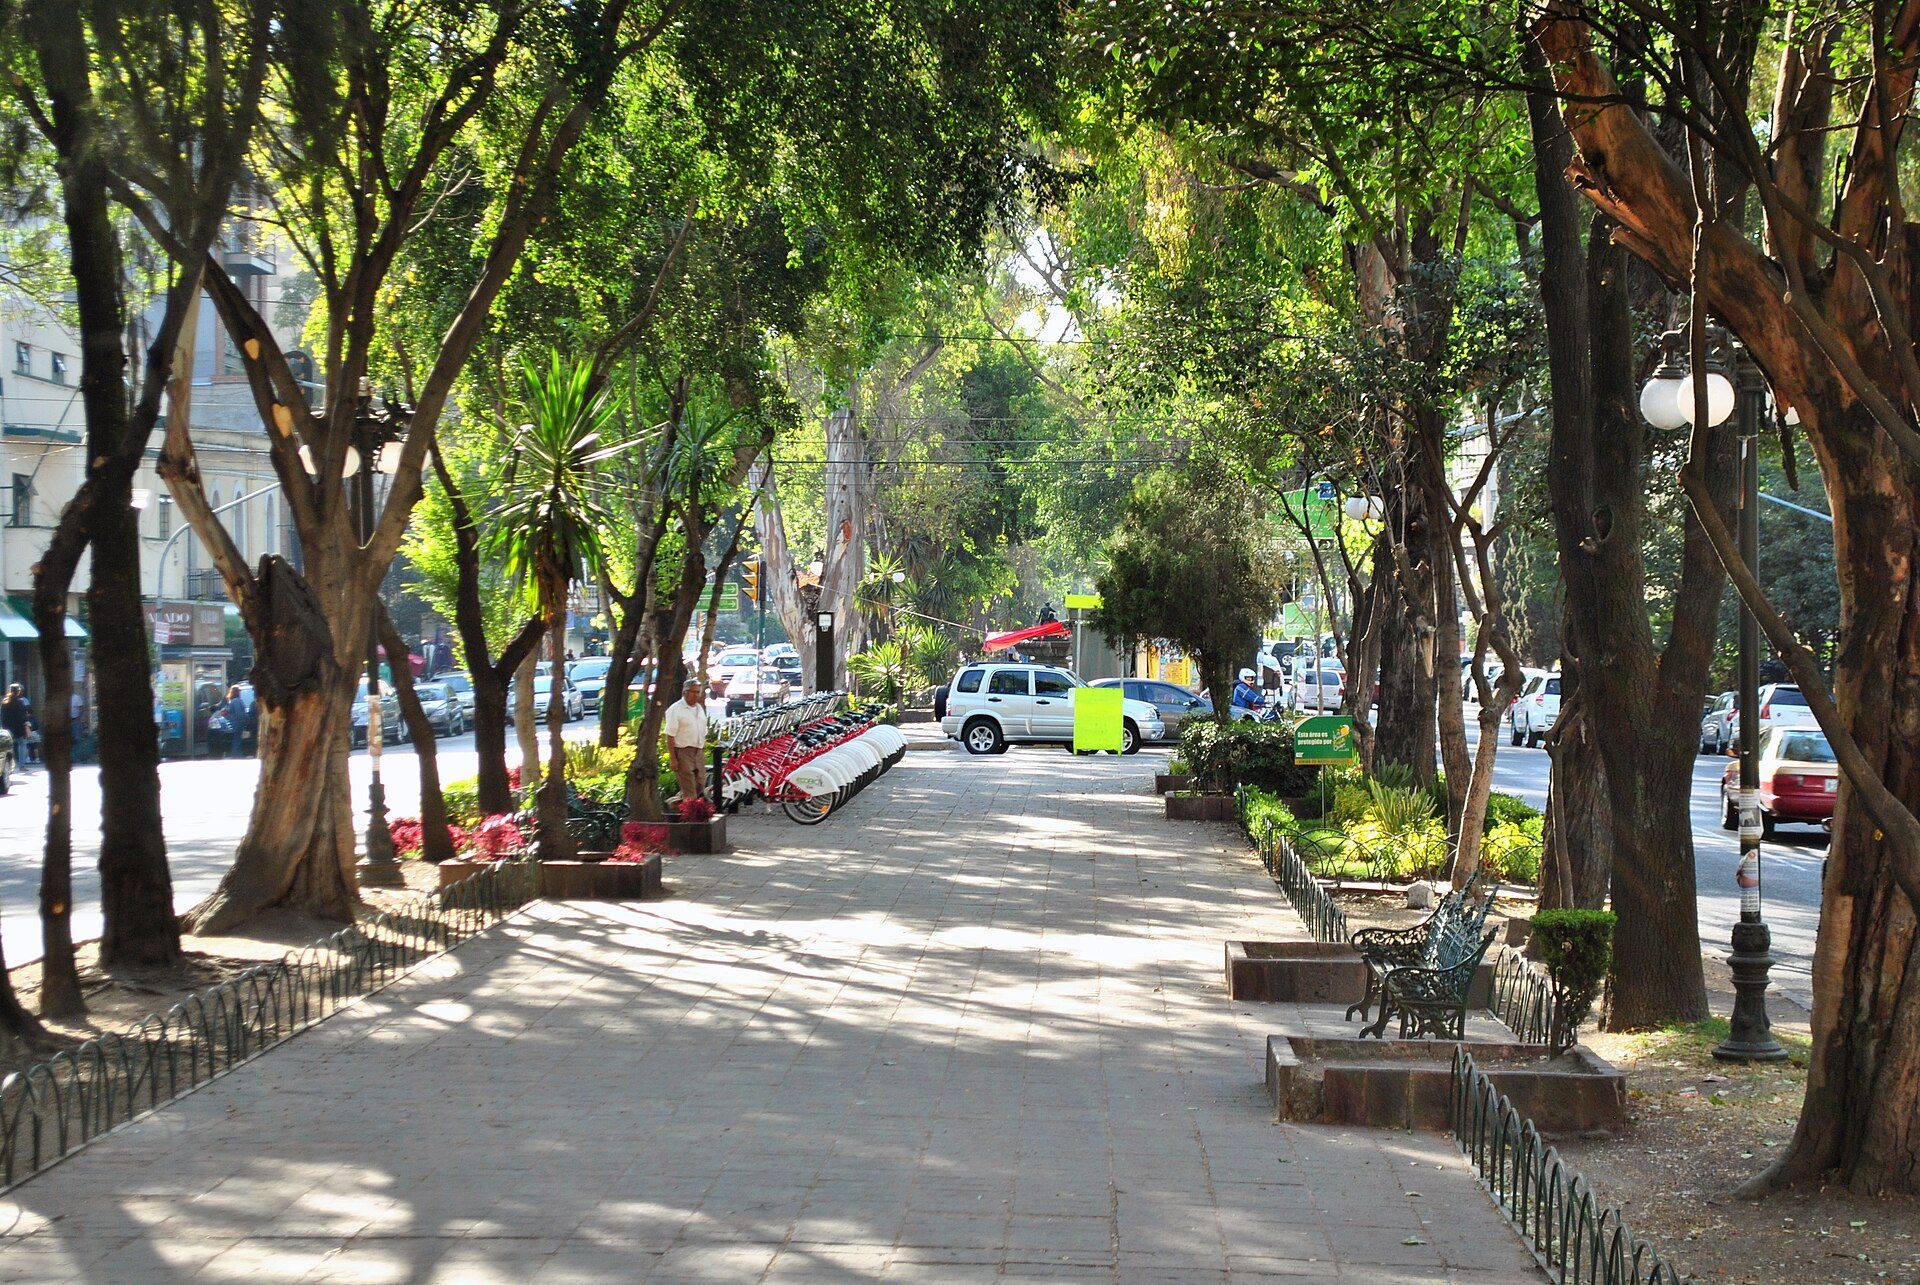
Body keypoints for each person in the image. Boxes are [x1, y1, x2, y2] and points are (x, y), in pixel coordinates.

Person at [662, 678, 710, 805]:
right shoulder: (676, 709)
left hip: (698, 750)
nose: (696, 695)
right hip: (683, 751)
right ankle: (691, 816)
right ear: (685, 692)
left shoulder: (699, 708)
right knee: (689, 787)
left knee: (700, 782)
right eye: (693, 692)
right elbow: (670, 735)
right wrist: (673, 758)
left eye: (698, 692)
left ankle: (674, 803)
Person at [1, 685, 31, 767]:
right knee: (22, 744)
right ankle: (21, 765)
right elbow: (23, 715)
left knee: (8, 747)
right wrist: (26, 725)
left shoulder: (5, 701)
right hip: (19, 727)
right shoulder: (20, 701)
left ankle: (9, 765)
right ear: (18, 691)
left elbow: (2, 715)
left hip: (7, 728)